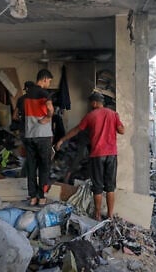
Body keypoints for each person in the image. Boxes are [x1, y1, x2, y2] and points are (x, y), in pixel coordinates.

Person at [55, 92, 125, 220]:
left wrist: (62, 140)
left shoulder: (90, 115)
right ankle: (110, 215)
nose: (90, 104)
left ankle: (97, 215)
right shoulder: (113, 114)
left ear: (95, 102)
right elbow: (122, 131)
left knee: (97, 187)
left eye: (91, 102)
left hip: (97, 154)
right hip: (111, 154)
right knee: (110, 187)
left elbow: (76, 130)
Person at [22, 69, 54, 206]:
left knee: (31, 167)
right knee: (44, 166)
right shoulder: (44, 93)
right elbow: (50, 108)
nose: (49, 84)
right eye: (49, 81)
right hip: (43, 135)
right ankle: (41, 197)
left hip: (29, 135)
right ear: (45, 79)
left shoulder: (27, 95)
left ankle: (32, 197)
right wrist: (48, 117)